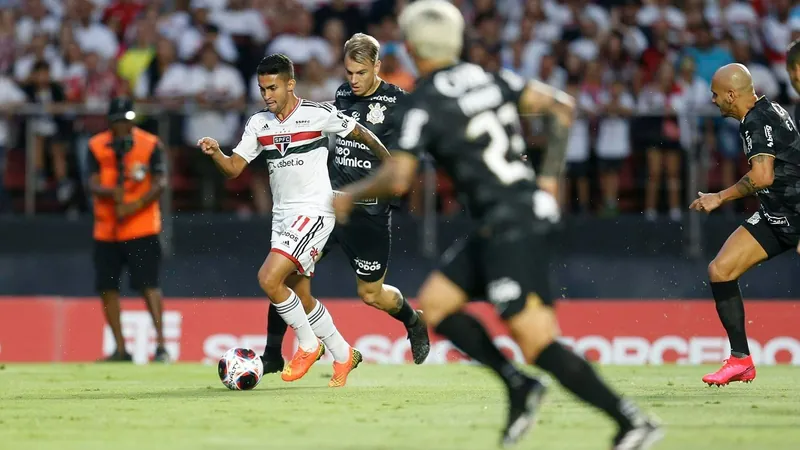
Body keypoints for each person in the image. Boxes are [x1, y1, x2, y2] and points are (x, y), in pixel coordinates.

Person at [333, 2, 662, 448]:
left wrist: (349, 195)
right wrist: (546, 183)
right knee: (439, 303)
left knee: (536, 341)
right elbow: (562, 108)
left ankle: (629, 420)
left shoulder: (425, 101)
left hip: (513, 224)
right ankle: (518, 385)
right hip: (510, 215)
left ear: (410, 48)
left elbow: (400, 177)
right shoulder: (489, 76)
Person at [197, 53, 391, 387]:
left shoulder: (317, 114)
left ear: (290, 84)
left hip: (315, 211)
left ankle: (308, 345)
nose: (267, 95)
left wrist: (391, 166)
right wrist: (217, 154)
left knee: (269, 279)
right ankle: (345, 355)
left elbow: (361, 133)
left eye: (272, 87)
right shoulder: (259, 123)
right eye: (262, 89)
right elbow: (233, 169)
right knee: (299, 295)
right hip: (282, 217)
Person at [261, 33, 430, 373]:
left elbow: (405, 164)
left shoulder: (400, 103)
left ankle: (413, 320)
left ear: (377, 67)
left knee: (371, 294)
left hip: (368, 213)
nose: (353, 80)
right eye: (349, 72)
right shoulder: (341, 93)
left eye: (361, 73)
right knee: (286, 272)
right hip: (325, 207)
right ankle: (271, 354)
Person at [690, 63, 800, 386]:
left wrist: (718, 197)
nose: (712, 100)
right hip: (776, 214)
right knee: (720, 270)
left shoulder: (756, 120)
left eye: (715, 94)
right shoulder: (765, 110)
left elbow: (763, 176)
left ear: (731, 95)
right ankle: (741, 360)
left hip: (796, 214)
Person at [88, 97, 169, 363]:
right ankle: (121, 349)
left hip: (141, 226)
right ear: (110, 123)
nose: (122, 126)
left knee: (149, 285)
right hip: (107, 228)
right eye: (117, 121)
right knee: (107, 287)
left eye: (126, 121)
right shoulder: (97, 145)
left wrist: (133, 204)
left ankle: (161, 346)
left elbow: (159, 182)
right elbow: (91, 183)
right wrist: (113, 194)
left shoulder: (150, 143)